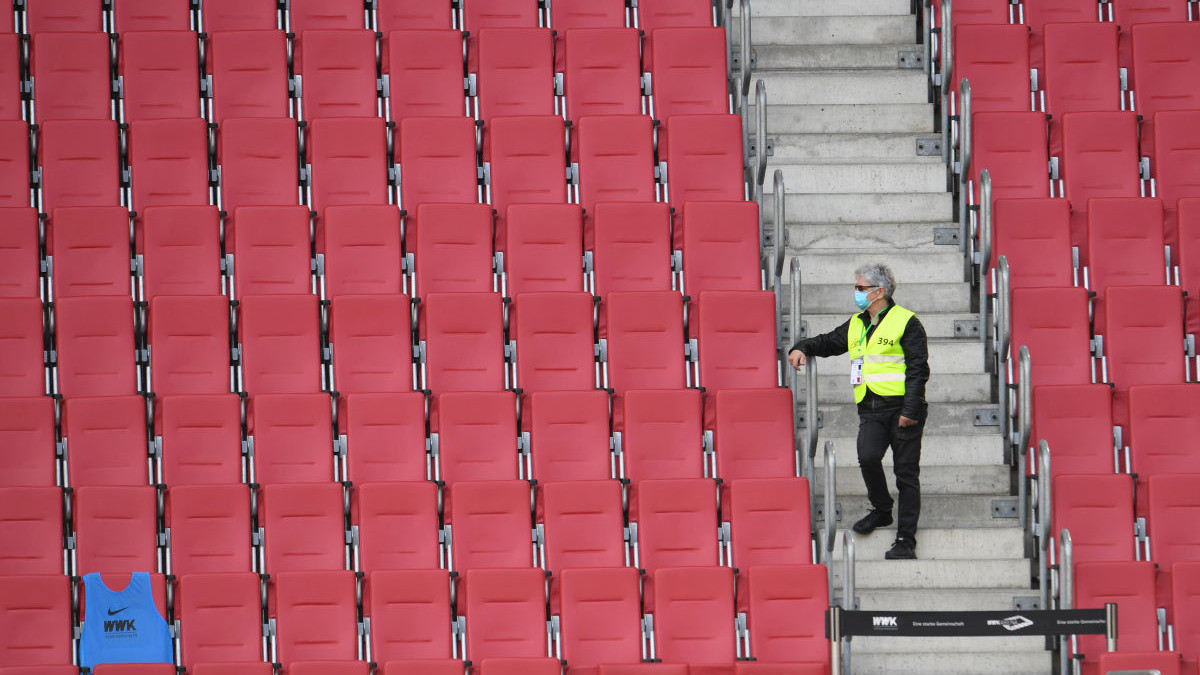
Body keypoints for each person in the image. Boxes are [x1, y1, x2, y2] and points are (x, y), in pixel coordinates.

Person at [787, 263, 929, 560]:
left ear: (880, 291)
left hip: (902, 408)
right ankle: (882, 509)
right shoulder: (857, 323)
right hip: (871, 407)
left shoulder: (907, 322)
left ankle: (906, 540)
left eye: (861, 288)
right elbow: (828, 342)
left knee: (906, 474)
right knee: (867, 457)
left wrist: (911, 409)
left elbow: (918, 369)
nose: (857, 293)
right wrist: (802, 347)